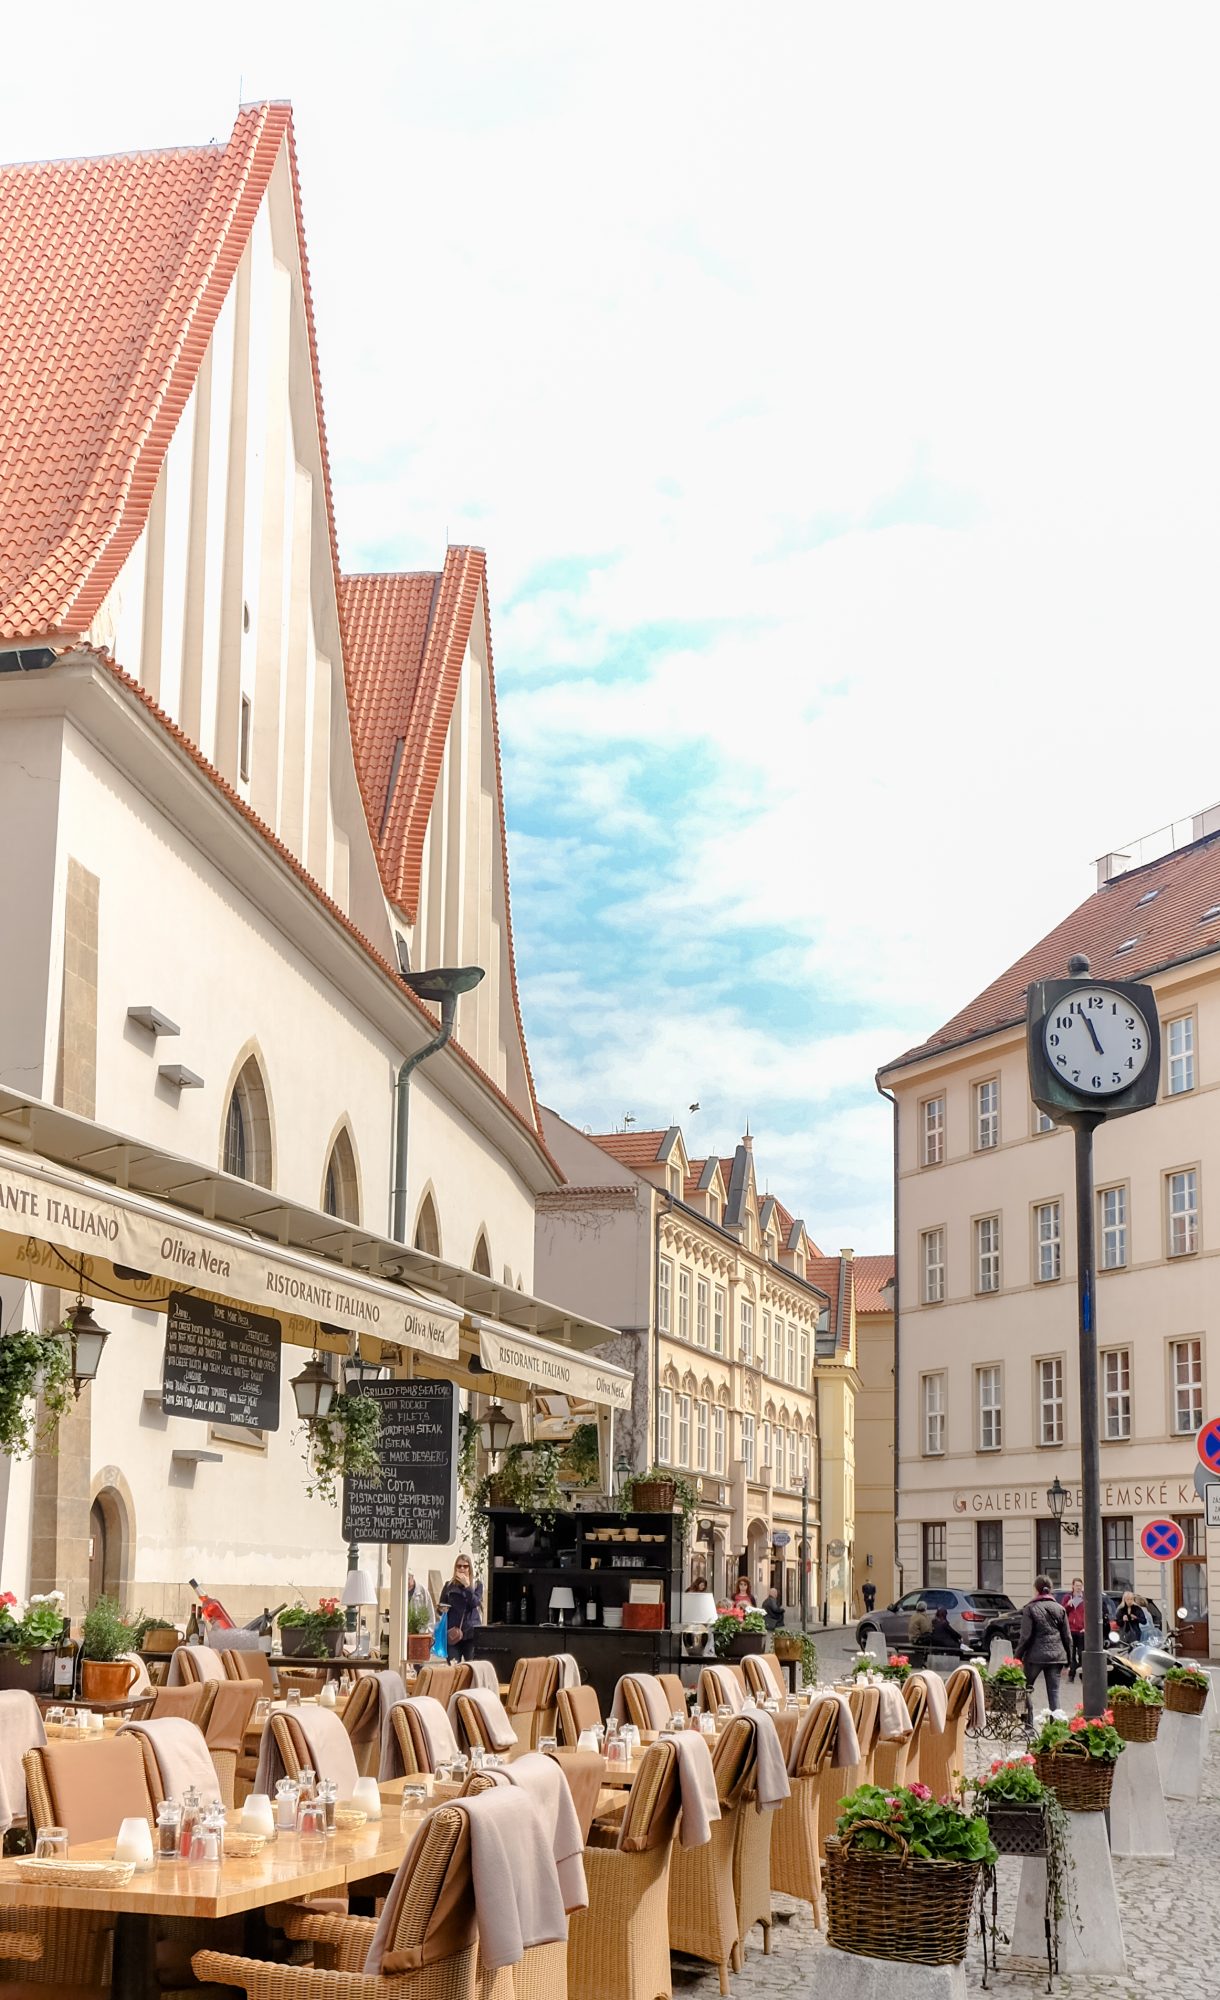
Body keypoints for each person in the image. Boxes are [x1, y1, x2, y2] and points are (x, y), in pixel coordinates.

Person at [1015, 1574, 1071, 1714]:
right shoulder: (1060, 1608)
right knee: (1054, 1693)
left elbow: (1025, 1637)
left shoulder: (1030, 1608)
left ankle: (1028, 1723)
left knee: (1025, 1689)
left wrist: (1017, 1657)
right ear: (1050, 1589)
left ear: (1036, 1589)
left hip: (1035, 1657)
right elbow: (1067, 1637)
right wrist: (1069, 1661)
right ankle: (1056, 1723)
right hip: (1056, 1657)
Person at [438, 1555, 482, 1662]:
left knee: (472, 1666)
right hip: (453, 1633)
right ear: (455, 1568)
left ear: (469, 1568)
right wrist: (441, 1609)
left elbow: (475, 1603)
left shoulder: (476, 1585)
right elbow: (441, 1607)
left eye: (465, 1566)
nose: (462, 1569)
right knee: (453, 1666)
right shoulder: (449, 1585)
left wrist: (467, 1586)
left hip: (470, 1633)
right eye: (459, 1566)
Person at [1064, 1578, 1085, 1680]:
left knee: (1082, 1654)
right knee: (1071, 1654)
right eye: (1077, 1586)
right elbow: (1063, 1611)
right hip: (1071, 1630)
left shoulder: (1085, 1598)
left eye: (1080, 1586)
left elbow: (1089, 1614)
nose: (1078, 1588)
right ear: (1072, 1586)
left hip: (1081, 1630)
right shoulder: (1068, 1597)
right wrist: (1068, 1605)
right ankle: (1071, 1675)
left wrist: (1085, 1627)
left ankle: (1082, 1675)